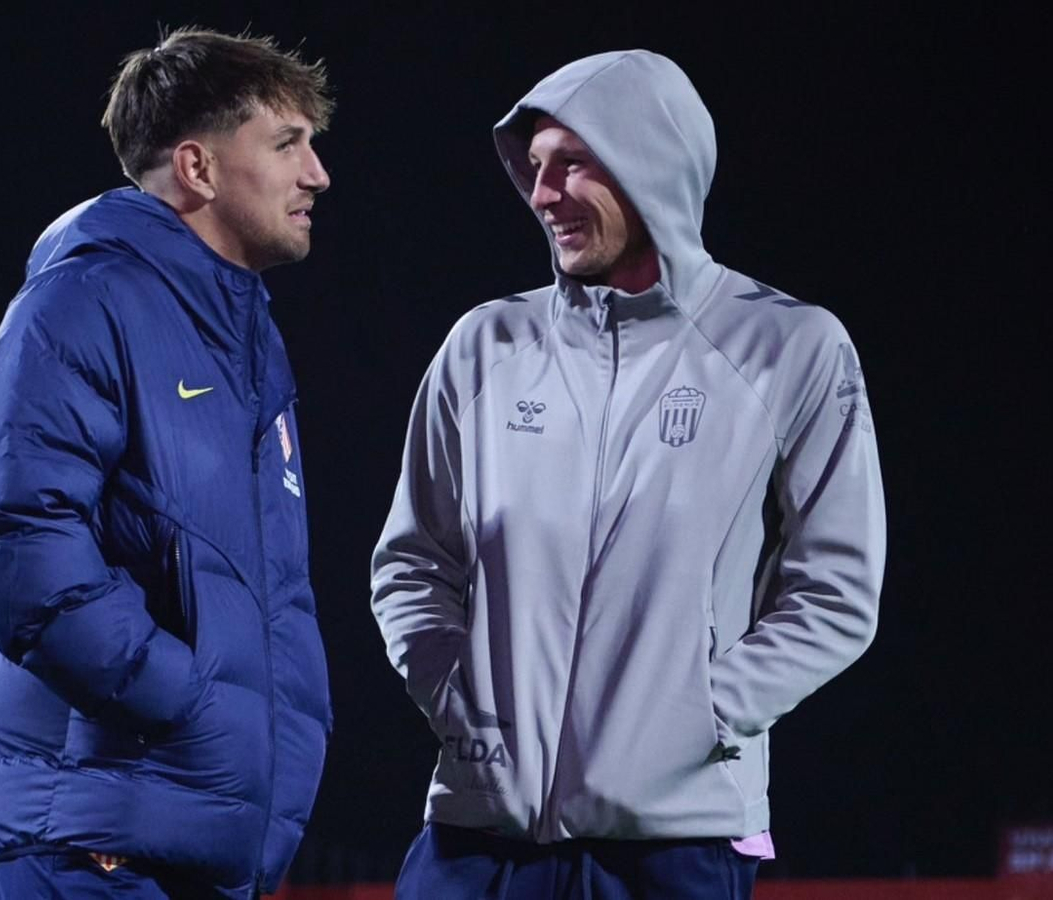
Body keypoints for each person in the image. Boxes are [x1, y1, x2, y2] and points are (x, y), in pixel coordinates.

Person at [371, 49, 886, 899]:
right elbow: (412, 563)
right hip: (475, 834)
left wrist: (699, 714)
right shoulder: (483, 346)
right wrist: (456, 700)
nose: (543, 194)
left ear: (655, 163)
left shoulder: (791, 346)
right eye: (534, 168)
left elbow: (836, 590)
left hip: (673, 846)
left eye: (573, 163)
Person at [0, 28, 333, 900]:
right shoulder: (85, 297)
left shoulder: (248, 337)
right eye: (287, 144)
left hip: (188, 839)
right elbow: (9, 534)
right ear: (197, 167)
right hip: (98, 845)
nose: (317, 175)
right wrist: (180, 700)